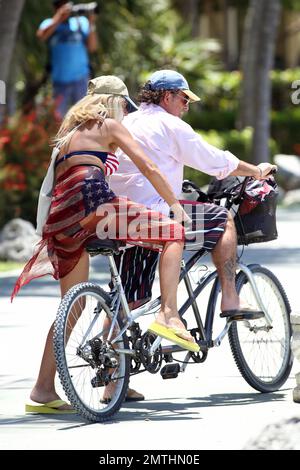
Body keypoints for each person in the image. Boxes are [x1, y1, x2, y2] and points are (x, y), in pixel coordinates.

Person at [12, 75, 199, 412]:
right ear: (114, 103)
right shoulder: (110, 125)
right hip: (95, 205)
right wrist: (173, 205)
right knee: (172, 233)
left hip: (63, 217)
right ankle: (169, 315)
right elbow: (149, 166)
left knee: (74, 303)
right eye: (124, 107)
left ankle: (41, 390)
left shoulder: (67, 137)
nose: (126, 114)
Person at [110, 69, 277, 320]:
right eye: (184, 99)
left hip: (120, 216)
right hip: (156, 213)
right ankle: (230, 298)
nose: (186, 106)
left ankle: (111, 350)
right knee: (222, 220)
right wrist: (256, 172)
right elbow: (215, 161)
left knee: (128, 298)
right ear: (167, 96)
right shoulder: (170, 125)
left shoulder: (126, 122)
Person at [37, 0, 98, 119]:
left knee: (84, 117)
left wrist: (91, 23)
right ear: (56, 7)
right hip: (59, 80)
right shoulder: (49, 23)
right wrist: (59, 18)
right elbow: (41, 36)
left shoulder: (81, 22)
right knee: (58, 119)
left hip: (81, 79)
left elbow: (92, 47)